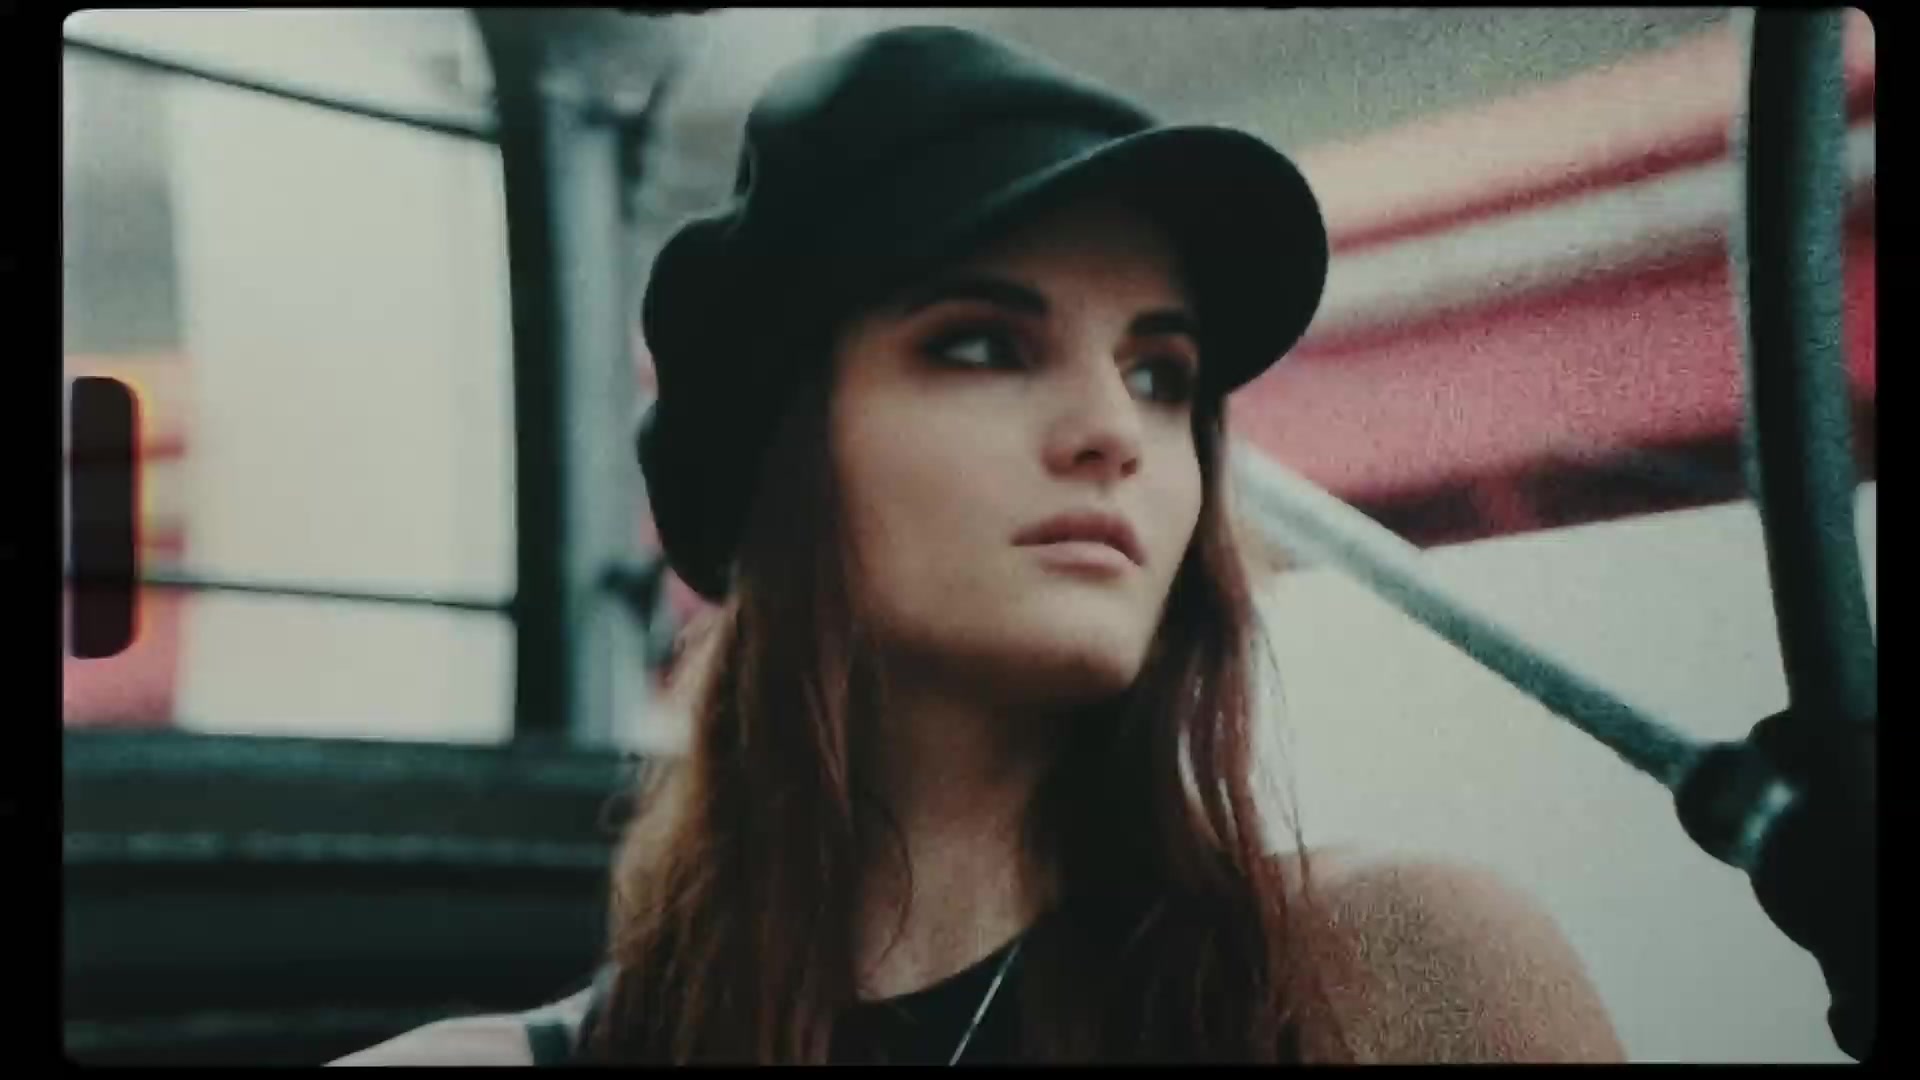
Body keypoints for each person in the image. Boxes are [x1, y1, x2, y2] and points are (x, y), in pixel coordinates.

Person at [333, 24, 1624, 1065]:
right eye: (982, 346)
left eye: (1161, 374)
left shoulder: (1398, 977)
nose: (1112, 430)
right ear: (786, 455)